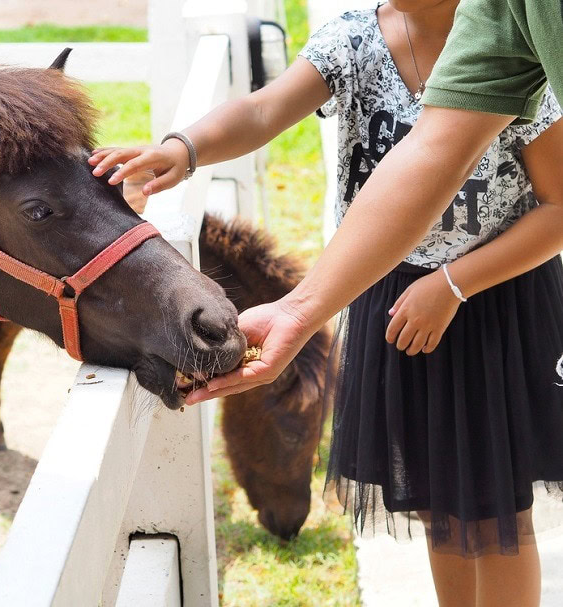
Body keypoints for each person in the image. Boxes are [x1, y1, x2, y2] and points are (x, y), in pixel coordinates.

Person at [88, 1, 563, 605]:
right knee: (442, 504)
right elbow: (264, 108)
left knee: (497, 517)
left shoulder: (518, 43)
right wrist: (186, 149)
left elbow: (559, 205)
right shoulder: (356, 41)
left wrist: (452, 284)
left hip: (493, 305)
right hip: (390, 301)